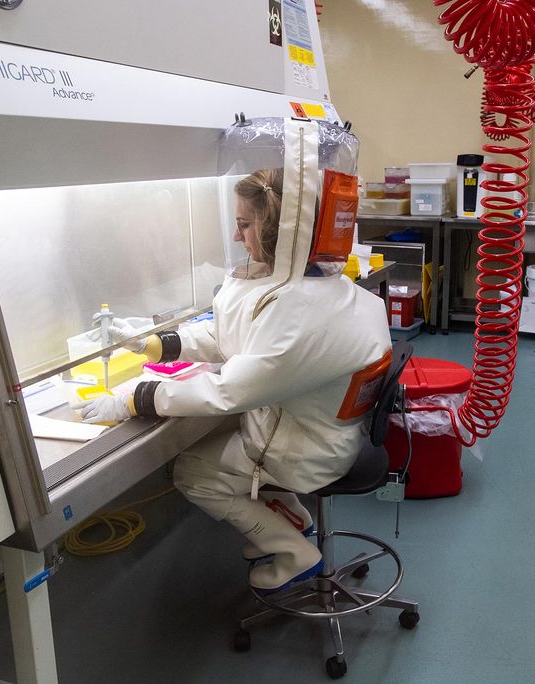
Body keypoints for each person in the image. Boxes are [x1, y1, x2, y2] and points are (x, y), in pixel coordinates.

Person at [77, 167, 391, 592]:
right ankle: (292, 517)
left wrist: (138, 396)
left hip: (307, 451)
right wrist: (158, 345)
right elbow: (235, 336)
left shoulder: (300, 315)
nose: (236, 237)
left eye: (244, 225)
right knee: (221, 444)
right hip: (323, 431)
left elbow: (227, 393)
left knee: (192, 471)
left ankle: (295, 553)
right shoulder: (320, 288)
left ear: (278, 230)